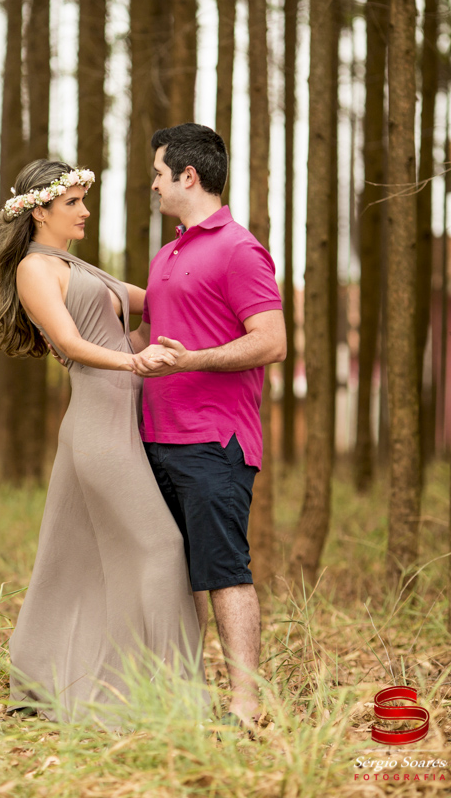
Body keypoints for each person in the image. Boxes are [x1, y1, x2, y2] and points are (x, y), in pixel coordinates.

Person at [0, 158, 204, 727]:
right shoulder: (36, 270)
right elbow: (70, 341)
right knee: (161, 547)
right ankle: (170, 701)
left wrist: (199, 257)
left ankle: (49, 680)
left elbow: (156, 298)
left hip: (127, 420)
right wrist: (133, 358)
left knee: (73, 559)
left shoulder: (72, 262)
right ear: (40, 211)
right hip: (99, 427)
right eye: (72, 204)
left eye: (84, 201)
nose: (84, 211)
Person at [132, 123, 286, 729]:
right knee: (175, 574)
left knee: (222, 569)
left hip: (214, 441)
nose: (153, 183)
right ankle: (186, 696)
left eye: (159, 173)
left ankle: (245, 704)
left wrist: (192, 359)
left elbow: (271, 342)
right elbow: (146, 339)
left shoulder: (239, 250)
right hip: (156, 438)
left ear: (188, 177)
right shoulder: (166, 254)